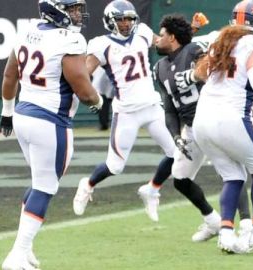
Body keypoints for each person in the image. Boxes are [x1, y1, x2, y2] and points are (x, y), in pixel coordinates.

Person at [175, 0, 253, 253]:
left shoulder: (217, 39)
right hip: (231, 116)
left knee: (233, 176)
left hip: (202, 120)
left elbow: (200, 71)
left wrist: (188, 76)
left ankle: (227, 235)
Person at [0, 1, 103, 269]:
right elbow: (83, 87)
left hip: (22, 115)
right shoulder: (70, 39)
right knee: (45, 186)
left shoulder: (27, 30)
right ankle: (17, 253)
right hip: (50, 120)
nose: (78, 14)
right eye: (72, 8)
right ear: (54, 9)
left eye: (79, 8)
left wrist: (6, 112)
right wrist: (99, 102)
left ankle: (26, 249)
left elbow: (10, 74)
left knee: (39, 181)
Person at [73, 0, 176, 222]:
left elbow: (165, 46)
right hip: (127, 111)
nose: (126, 23)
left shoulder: (143, 32)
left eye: (129, 18)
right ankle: (88, 184)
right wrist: (89, 95)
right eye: (121, 19)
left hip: (151, 106)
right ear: (110, 21)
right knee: (115, 166)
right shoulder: (101, 44)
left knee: (176, 155)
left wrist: (188, 33)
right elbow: (83, 73)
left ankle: (151, 189)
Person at [154, 14, 252, 243]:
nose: (157, 40)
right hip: (191, 127)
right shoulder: (159, 67)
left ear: (172, 37)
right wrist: (176, 135)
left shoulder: (193, 50)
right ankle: (213, 221)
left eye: (161, 35)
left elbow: (214, 66)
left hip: (213, 118)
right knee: (180, 179)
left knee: (231, 174)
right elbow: (169, 109)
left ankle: (247, 225)